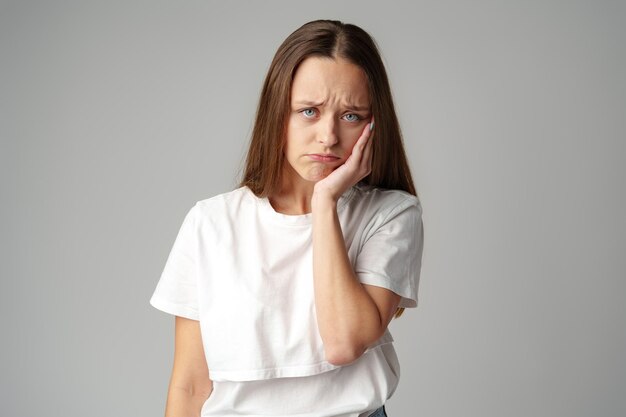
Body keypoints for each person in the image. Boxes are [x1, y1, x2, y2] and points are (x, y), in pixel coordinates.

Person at [150, 19, 424, 417]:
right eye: (308, 111)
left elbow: (344, 343)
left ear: (373, 124)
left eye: (351, 116)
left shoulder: (392, 215)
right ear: (277, 112)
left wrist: (326, 201)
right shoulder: (210, 223)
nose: (328, 136)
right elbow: (190, 385)